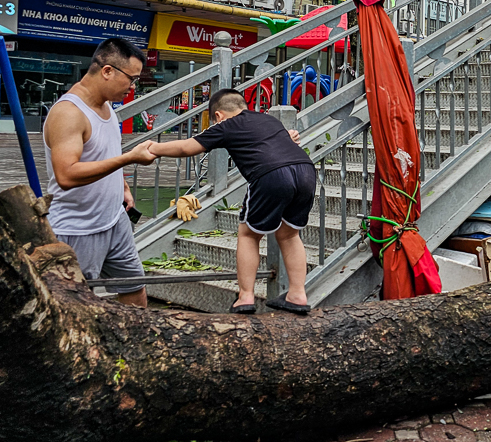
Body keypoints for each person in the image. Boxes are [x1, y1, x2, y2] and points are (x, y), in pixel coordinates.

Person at [144, 88, 316, 315]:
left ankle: (245, 297)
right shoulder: (267, 120)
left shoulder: (225, 126)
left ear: (218, 116)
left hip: (271, 175)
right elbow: (285, 139)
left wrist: (153, 148)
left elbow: (187, 147)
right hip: (305, 171)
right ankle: (297, 295)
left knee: (248, 234)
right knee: (289, 234)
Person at [43, 38, 156, 306]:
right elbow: (67, 175)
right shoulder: (69, 113)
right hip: (78, 228)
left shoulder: (107, 107)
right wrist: (129, 158)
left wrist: (123, 187)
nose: (133, 87)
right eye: (131, 79)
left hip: (114, 219)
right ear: (107, 71)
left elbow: (105, 154)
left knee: (134, 290)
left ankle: (130, 347)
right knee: (75, 306)